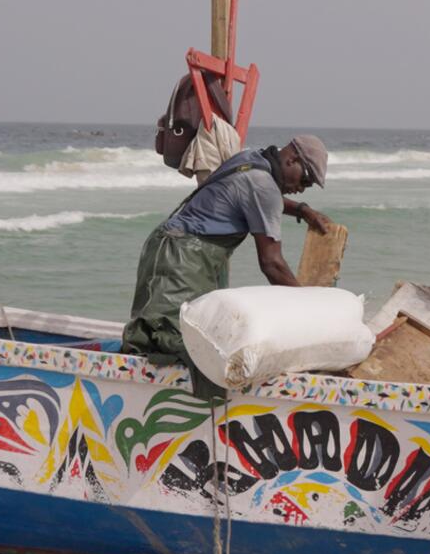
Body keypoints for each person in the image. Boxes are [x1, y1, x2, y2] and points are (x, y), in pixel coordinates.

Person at [124, 136, 333, 394]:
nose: (302, 188)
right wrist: (310, 305)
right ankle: (161, 399)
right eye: (305, 180)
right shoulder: (264, 186)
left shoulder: (252, 159)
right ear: (292, 160)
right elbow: (272, 264)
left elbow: (255, 194)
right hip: (180, 260)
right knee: (171, 339)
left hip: (180, 251)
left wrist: (301, 209)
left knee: (202, 337)